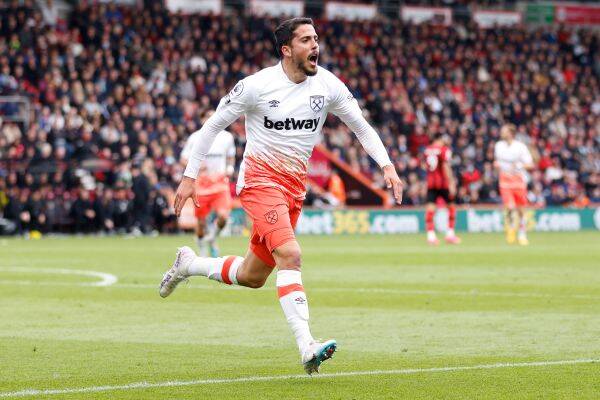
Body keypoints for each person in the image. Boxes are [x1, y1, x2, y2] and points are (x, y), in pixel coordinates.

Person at [159, 18, 403, 374]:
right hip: (259, 183)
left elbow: (360, 127)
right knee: (291, 254)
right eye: (306, 40)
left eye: (316, 38)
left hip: (293, 190)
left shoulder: (328, 85)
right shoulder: (256, 87)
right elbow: (212, 126)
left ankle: (189, 264)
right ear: (287, 50)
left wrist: (387, 165)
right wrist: (189, 177)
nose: (315, 45)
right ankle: (307, 346)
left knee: (252, 276)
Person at [180, 111, 236, 256]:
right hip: (201, 186)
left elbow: (230, 157)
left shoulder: (227, 137)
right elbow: (183, 158)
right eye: (207, 117)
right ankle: (202, 245)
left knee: (224, 216)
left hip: (219, 183)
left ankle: (211, 238)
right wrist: (197, 166)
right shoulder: (195, 137)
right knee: (200, 223)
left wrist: (229, 168)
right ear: (203, 119)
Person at [494, 124, 534, 245]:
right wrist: (496, 165)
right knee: (510, 207)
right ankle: (511, 229)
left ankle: (522, 234)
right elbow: (497, 162)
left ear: (511, 133)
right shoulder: (498, 146)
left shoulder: (520, 147)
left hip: (518, 180)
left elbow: (530, 164)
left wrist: (519, 166)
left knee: (521, 209)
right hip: (505, 180)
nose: (501, 132)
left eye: (504, 131)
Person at [423, 133, 460, 245]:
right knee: (452, 208)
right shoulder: (444, 150)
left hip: (431, 184)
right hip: (443, 184)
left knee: (430, 210)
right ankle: (450, 235)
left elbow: (425, 166)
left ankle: (431, 237)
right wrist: (452, 183)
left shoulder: (427, 150)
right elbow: (445, 166)